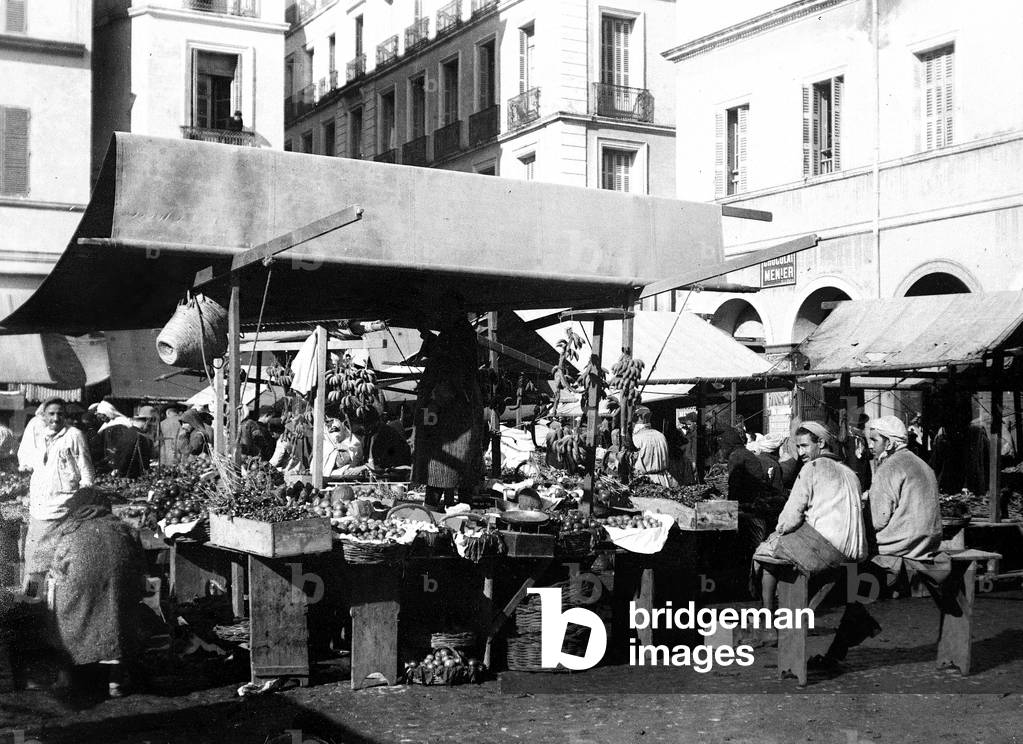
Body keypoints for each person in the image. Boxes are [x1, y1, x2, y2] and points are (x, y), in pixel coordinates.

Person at [810, 415, 942, 670]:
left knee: (847, 578)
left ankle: (844, 643)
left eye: (874, 439)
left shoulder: (890, 467)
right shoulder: (921, 464)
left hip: (899, 549)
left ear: (889, 443)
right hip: (926, 544)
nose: (870, 445)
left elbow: (878, 520)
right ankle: (846, 640)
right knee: (856, 590)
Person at [753, 422, 867, 643]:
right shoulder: (849, 473)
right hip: (852, 549)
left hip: (826, 546)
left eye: (804, 446)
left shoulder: (812, 468)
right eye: (798, 447)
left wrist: (778, 531)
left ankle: (768, 625)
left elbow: (791, 515)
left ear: (821, 443)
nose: (801, 452)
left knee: (764, 554)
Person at [48, 488, 145, 701]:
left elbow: (54, 568)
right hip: (120, 592)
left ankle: (66, 678)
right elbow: (139, 566)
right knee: (118, 618)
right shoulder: (126, 529)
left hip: (78, 593)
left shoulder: (67, 530)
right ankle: (116, 681)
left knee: (61, 612)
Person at [21, 398, 95, 593]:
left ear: (65, 415)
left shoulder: (74, 435)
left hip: (62, 508)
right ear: (44, 416)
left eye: (60, 414)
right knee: (33, 558)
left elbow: (86, 471)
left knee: (54, 562)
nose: (55, 418)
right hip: (39, 508)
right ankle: (32, 603)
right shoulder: (40, 435)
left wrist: (80, 497)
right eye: (51, 414)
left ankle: (47, 606)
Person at [631, 407, 677, 487]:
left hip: (645, 482)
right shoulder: (660, 435)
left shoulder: (637, 437)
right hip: (664, 480)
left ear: (639, 418)